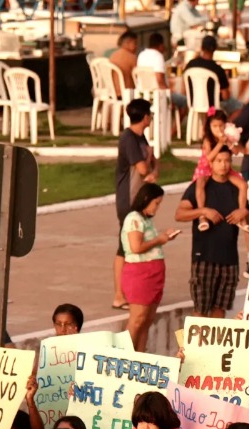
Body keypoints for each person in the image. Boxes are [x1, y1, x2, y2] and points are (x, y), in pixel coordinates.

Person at [176, 146, 247, 319]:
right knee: (200, 310)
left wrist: (244, 213)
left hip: (229, 260)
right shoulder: (200, 186)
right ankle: (195, 347)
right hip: (204, 258)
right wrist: (203, 212)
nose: (223, 165)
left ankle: (214, 347)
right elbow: (179, 214)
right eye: (219, 161)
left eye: (227, 161)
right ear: (212, 163)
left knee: (220, 310)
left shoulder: (237, 187)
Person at [119, 182, 178, 349]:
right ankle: (126, 359)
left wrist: (163, 238)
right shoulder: (134, 218)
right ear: (146, 199)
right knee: (137, 319)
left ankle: (140, 357)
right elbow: (135, 247)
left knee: (147, 320)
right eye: (156, 203)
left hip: (153, 274)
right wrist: (159, 240)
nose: (157, 207)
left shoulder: (146, 220)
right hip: (140, 274)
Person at [113, 99, 157, 310]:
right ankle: (119, 295)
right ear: (145, 116)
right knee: (124, 247)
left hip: (138, 199)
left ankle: (131, 291)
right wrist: (150, 167)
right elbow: (143, 169)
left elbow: (152, 164)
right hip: (128, 199)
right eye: (150, 114)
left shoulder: (141, 137)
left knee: (134, 245)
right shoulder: (129, 138)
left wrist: (153, 168)